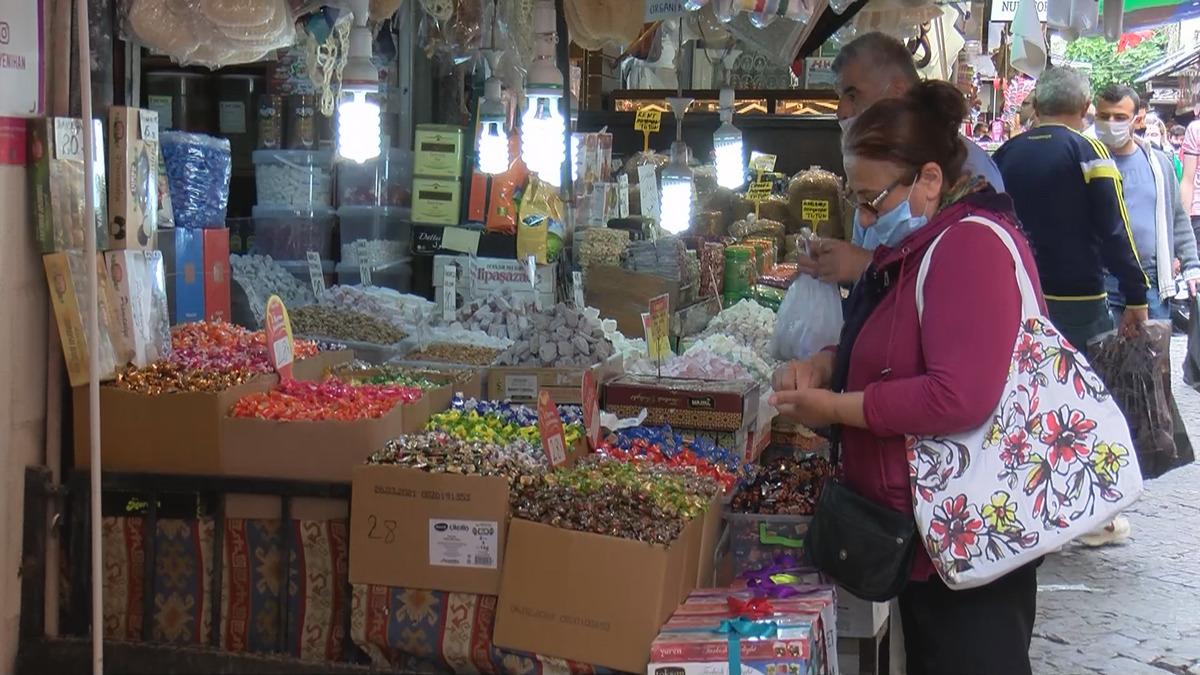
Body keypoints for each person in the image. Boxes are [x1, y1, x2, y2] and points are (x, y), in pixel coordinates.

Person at [771, 80, 1041, 675]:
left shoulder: (969, 245)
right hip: (932, 534)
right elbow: (902, 340)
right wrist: (828, 363)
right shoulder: (930, 241)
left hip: (973, 534)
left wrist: (835, 407)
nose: (864, 219)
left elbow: (957, 395)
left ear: (928, 179)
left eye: (872, 201)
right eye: (856, 199)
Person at [799, 32, 1006, 284]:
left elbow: (968, 281)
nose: (841, 111)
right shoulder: (872, 173)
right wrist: (837, 263)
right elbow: (863, 246)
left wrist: (866, 266)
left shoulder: (972, 173)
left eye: (853, 95)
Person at [993, 67, 1149, 350]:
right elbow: (1115, 230)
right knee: (1081, 388)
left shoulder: (1005, 153)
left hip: (1017, 293)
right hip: (1079, 302)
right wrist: (1136, 294)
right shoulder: (1089, 152)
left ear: (1037, 106)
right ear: (1085, 107)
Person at [1094, 85, 1200, 321]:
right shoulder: (1087, 162)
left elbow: (1178, 217)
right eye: (1104, 116)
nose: (1111, 123)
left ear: (1137, 119)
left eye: (1120, 117)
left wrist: (1191, 265)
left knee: (1152, 355)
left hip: (1151, 280)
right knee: (1103, 356)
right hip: (1101, 281)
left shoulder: (1159, 164)